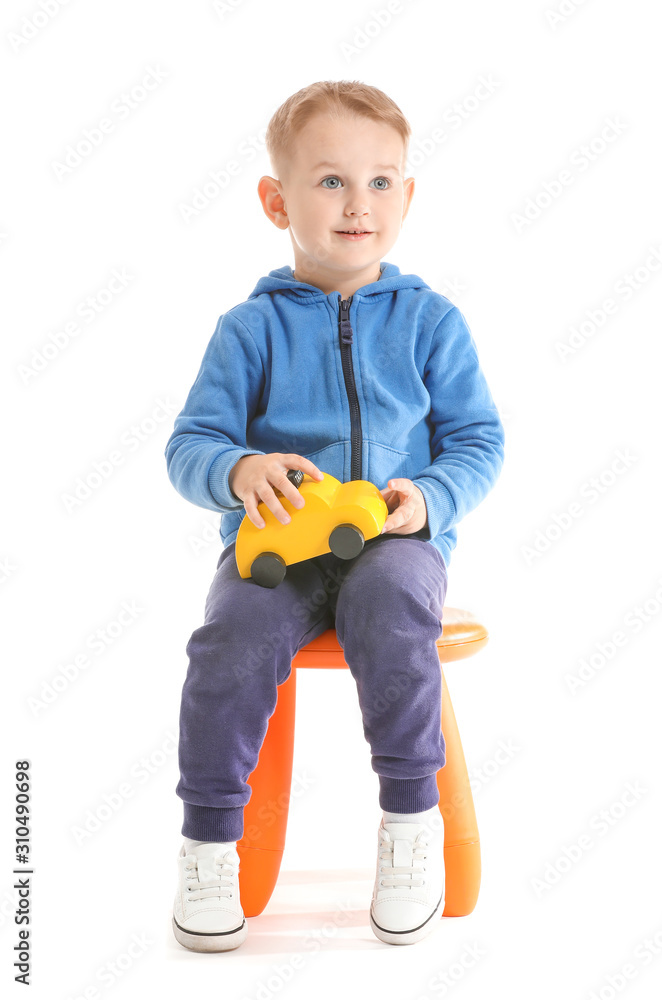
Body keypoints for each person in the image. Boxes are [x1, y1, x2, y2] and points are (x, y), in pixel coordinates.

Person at [165, 80, 505, 952]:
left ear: (407, 196)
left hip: (392, 540)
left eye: (381, 182)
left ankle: (411, 824)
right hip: (278, 550)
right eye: (330, 182)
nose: (360, 204)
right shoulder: (250, 329)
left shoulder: (432, 322)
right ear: (276, 201)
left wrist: (428, 498)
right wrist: (240, 468)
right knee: (229, 638)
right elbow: (191, 445)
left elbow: (477, 440)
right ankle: (209, 843)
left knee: (392, 607)